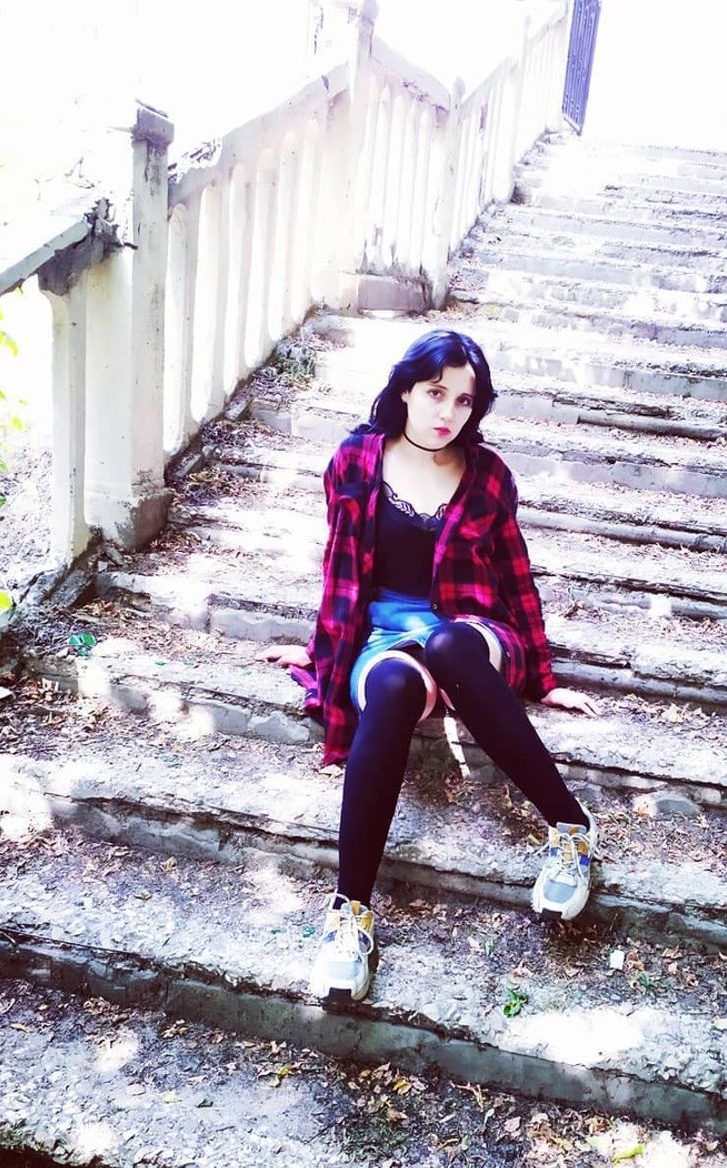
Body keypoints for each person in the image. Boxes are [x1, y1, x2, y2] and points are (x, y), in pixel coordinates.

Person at [260, 329, 600, 1005]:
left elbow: (516, 575)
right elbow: (340, 571)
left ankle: (571, 828)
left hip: (470, 630)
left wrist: (543, 679)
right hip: (386, 635)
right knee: (389, 687)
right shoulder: (355, 460)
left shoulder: (488, 476)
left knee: (447, 648)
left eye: (464, 401)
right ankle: (350, 916)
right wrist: (323, 652)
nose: (448, 412)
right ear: (406, 390)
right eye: (435, 393)